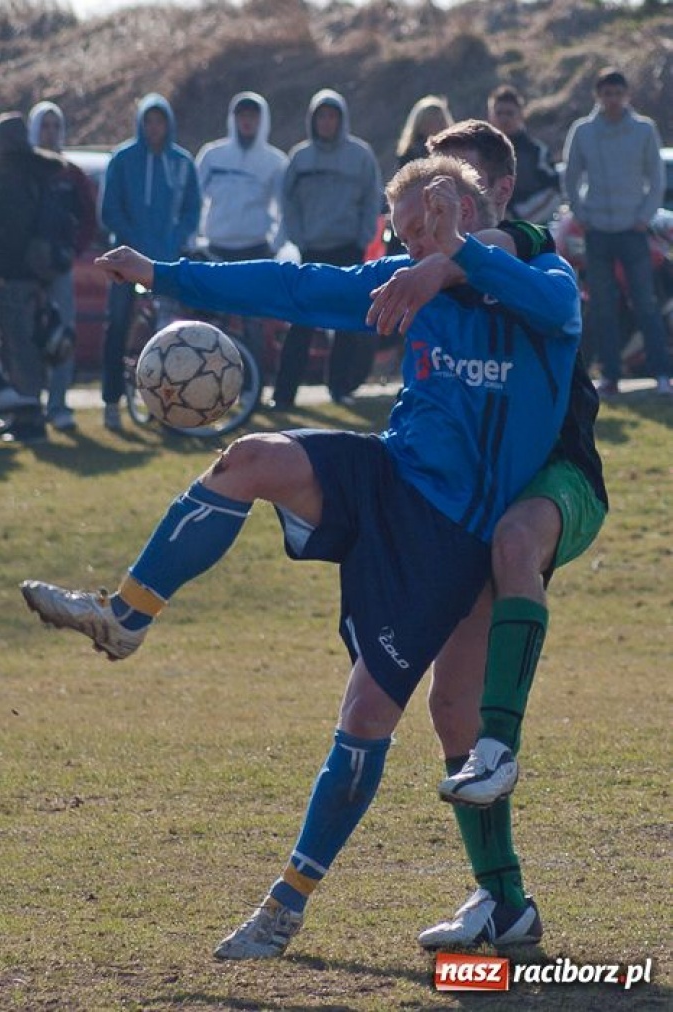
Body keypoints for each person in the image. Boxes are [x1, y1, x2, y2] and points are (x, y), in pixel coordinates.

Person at [21, 154, 581, 959]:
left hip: (451, 539)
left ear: (472, 212)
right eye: (406, 227)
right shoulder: (398, 283)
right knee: (249, 459)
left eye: (431, 220)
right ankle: (125, 616)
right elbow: (286, 288)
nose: (415, 239)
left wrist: (455, 257)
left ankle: (287, 905)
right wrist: (160, 273)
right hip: (385, 479)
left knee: (368, 720)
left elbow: (554, 305)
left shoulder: (538, 281)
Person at [366, 118, 607, 949]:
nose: (437, 206)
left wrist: (455, 251)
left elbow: (527, 261)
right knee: (447, 708)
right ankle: (504, 903)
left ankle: (502, 747)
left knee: (513, 542)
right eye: (426, 192)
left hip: (561, 480)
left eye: (455, 190)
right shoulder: (433, 273)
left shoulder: (533, 253)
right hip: (475, 500)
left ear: (496, 194)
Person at [563, 67, 671, 397]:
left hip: (633, 232)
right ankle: (610, 376)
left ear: (627, 95)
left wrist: (644, 216)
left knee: (645, 304)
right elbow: (570, 176)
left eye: (617, 93)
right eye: (606, 94)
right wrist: (583, 216)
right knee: (603, 306)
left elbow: (656, 178)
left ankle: (662, 375)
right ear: (598, 96)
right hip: (597, 232)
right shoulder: (583, 131)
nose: (612, 100)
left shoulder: (643, 129)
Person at [271, 88, 382, 409]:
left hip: (348, 248)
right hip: (311, 249)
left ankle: (339, 388)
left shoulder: (360, 156)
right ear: (313, 119)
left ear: (341, 119)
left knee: (345, 323)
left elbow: (372, 200)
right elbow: (287, 202)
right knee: (301, 324)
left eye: (332, 115)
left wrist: (363, 239)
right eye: (321, 116)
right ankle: (283, 395)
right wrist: (299, 237)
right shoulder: (300, 157)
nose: (327, 122)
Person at [100, 92, 201, 430]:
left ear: (168, 124)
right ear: (141, 123)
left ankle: (168, 407)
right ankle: (112, 402)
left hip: (166, 263)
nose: (154, 127)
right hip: (125, 262)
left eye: (160, 121)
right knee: (118, 326)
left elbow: (192, 209)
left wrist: (174, 240)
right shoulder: (123, 159)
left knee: (168, 335)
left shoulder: (182, 162)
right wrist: (134, 242)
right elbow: (109, 210)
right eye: (149, 121)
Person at [196, 91, 288, 374]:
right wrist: (193, 241)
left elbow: (285, 209)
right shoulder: (212, 155)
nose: (247, 122)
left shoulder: (275, 161)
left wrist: (276, 244)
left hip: (255, 250)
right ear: (233, 119)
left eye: (253, 116)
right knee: (212, 324)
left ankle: (252, 386)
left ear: (262, 120)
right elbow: (193, 201)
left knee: (253, 324)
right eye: (242, 116)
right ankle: (207, 380)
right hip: (216, 249)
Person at [27, 100, 97, 431]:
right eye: (45, 125)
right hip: (25, 271)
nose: (50, 132)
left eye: (56, 126)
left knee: (62, 335)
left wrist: (73, 249)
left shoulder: (72, 173)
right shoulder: (22, 169)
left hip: (60, 267)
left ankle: (58, 405)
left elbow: (88, 218)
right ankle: (29, 404)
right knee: (26, 337)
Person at [0, 112, 65, 444]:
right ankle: (27, 415)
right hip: (39, 275)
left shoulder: (9, 178)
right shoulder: (40, 173)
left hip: (14, 277)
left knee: (19, 347)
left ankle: (29, 421)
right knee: (31, 346)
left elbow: (9, 234)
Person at [385, 94, 453, 255]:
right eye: (431, 120)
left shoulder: (453, 153)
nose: (436, 124)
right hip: (412, 214)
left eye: (439, 119)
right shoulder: (409, 155)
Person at [487, 84, 560, 224]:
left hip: (530, 232)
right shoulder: (478, 151)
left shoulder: (536, 152)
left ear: (521, 115)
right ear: (490, 115)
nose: (504, 119)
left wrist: (518, 219)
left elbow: (554, 191)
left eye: (509, 113)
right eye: (499, 113)